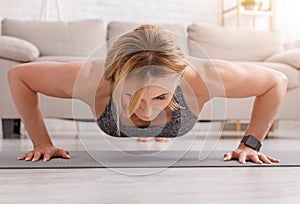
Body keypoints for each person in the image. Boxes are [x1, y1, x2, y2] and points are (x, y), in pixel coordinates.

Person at [7, 24, 288, 164]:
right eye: (130, 98)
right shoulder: (92, 79)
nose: (146, 112)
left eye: (161, 98)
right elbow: (19, 76)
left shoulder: (203, 79)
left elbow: (276, 81)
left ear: (179, 80)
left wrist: (249, 145)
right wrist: (41, 141)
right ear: (113, 81)